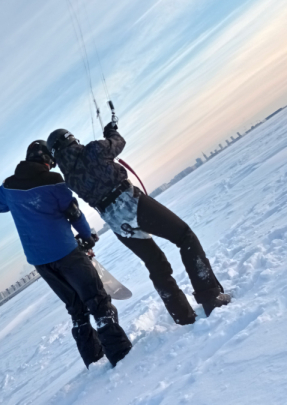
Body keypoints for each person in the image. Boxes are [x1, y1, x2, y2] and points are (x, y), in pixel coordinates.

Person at [46, 125, 231, 325]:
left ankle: (182, 315)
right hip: (132, 202)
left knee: (155, 263)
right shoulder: (93, 150)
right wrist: (110, 132)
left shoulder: (70, 179)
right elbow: (119, 142)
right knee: (185, 236)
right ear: (71, 140)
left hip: (116, 223)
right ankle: (210, 297)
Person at [0, 139, 132, 367]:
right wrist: (87, 235)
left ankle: (93, 360)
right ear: (47, 160)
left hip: (40, 261)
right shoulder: (53, 181)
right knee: (97, 301)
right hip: (67, 252)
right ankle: (121, 354)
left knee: (76, 310)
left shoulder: (8, 187)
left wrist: (11, 203)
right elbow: (73, 213)